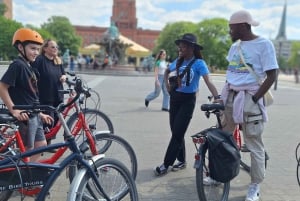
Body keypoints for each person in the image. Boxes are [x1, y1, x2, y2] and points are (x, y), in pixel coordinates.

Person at [218, 10, 278, 201]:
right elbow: (231, 74)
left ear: (243, 26)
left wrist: (255, 98)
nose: (229, 31)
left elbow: (272, 75)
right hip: (231, 97)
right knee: (224, 140)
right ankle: (220, 175)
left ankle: (255, 186)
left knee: (253, 144)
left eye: (231, 28)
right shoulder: (235, 47)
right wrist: (221, 96)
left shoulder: (264, 44)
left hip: (249, 98)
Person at [154, 33, 220, 176]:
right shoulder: (178, 61)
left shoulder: (199, 63)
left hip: (188, 101)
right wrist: (166, 83)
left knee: (177, 133)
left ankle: (166, 163)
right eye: (181, 45)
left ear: (191, 48)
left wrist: (217, 97)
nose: (181, 48)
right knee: (176, 132)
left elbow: (209, 81)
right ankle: (182, 160)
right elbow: (166, 71)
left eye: (184, 45)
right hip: (175, 99)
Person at [0, 28, 53, 161]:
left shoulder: (28, 66)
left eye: (38, 49)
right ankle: (20, 176)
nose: (36, 52)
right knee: (27, 150)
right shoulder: (17, 65)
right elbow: (2, 86)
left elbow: (29, 95)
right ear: (20, 47)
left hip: (34, 115)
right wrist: (14, 109)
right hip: (25, 117)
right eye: (32, 48)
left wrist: (40, 113)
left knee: (41, 145)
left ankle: (26, 173)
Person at [31, 39, 66, 145]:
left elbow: (64, 73)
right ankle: (43, 144)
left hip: (58, 95)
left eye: (56, 47)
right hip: (45, 96)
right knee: (47, 121)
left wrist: (64, 76)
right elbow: (32, 74)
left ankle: (48, 143)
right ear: (45, 48)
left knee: (56, 121)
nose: (55, 49)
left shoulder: (58, 60)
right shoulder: (40, 60)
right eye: (53, 47)